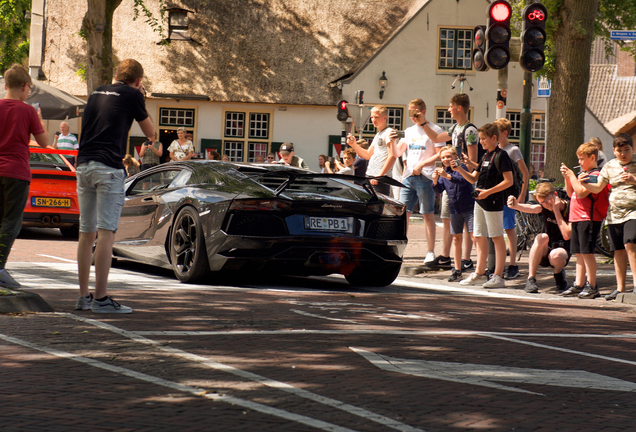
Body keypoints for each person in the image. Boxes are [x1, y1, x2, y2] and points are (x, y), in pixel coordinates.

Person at [75, 59, 155, 313]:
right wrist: (141, 99)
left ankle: (83, 296)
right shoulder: (133, 94)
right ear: (138, 81)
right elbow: (151, 133)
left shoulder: (96, 92)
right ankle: (101, 299)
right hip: (108, 168)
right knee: (106, 232)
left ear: (116, 75)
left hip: (84, 164)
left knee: (86, 233)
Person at [0, 64, 49, 289]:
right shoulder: (28, 111)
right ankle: (0, 267)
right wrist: (38, 118)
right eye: (29, 88)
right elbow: (44, 142)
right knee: (12, 220)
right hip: (16, 171)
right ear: (24, 86)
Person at [418, 93, 478, 270]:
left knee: (469, 226)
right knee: (451, 220)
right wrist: (423, 123)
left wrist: (457, 173)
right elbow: (436, 138)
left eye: (451, 106)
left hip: (463, 181)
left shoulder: (470, 130)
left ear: (459, 108)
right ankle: (451, 258)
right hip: (450, 180)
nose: (448, 109)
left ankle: (467, 259)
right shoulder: (454, 129)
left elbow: (472, 161)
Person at [454, 123, 513, 288]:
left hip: (493, 201)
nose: (481, 142)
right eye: (480, 139)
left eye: (483, 139)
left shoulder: (502, 156)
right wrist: (459, 169)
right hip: (480, 201)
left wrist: (488, 192)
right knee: (479, 236)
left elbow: (509, 181)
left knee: (496, 237)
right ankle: (480, 273)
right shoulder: (486, 156)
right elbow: (473, 178)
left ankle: (498, 276)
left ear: (494, 138)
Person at [578, 133, 636, 301]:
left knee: (630, 243)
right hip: (614, 215)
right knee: (618, 249)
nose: (623, 154)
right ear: (613, 151)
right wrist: (583, 183)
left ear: (633, 149)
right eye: (619, 151)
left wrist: (633, 180)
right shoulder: (609, 166)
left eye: (627, 150)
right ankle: (620, 289)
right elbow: (597, 188)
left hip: (633, 212)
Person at [389, 98, 445, 265]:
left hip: (425, 176)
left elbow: (440, 153)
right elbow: (398, 152)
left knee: (427, 214)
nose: (413, 116)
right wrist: (391, 141)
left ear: (423, 111)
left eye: (416, 112)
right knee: (402, 214)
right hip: (408, 176)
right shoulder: (409, 131)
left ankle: (430, 251)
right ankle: (400, 250)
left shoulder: (435, 129)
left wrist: (422, 164)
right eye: (410, 113)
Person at [559, 142, 610, 298]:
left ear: (592, 157)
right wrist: (568, 179)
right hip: (576, 218)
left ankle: (592, 285)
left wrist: (573, 177)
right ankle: (578, 284)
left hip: (588, 218)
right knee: (579, 253)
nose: (579, 163)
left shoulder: (595, 175)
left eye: (582, 159)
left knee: (587, 253)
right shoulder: (582, 174)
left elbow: (581, 193)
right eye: (578, 159)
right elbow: (570, 193)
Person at [507, 182, 571, 294]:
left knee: (556, 255)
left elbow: (567, 235)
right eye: (542, 202)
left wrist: (556, 210)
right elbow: (532, 208)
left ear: (555, 194)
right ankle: (531, 278)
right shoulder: (543, 207)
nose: (546, 205)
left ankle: (558, 273)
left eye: (547, 201)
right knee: (542, 236)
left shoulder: (569, 208)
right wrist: (515, 205)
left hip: (562, 249)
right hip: (545, 249)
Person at [432, 146, 475, 282]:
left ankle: (482, 269)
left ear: (455, 156)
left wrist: (447, 176)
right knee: (456, 238)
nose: (445, 159)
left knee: (475, 237)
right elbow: (439, 188)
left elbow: (463, 181)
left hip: (468, 207)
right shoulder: (445, 172)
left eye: (448, 156)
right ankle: (457, 269)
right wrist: (435, 180)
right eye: (443, 157)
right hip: (454, 208)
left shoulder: (462, 168)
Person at [495, 118, 530, 280]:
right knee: (497, 229)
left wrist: (522, 194)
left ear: (504, 133)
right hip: (496, 195)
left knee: (509, 228)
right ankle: (497, 263)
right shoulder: (493, 149)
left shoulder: (512, 150)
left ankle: (513, 264)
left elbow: (524, 172)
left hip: (509, 195)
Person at [347, 105, 395, 196]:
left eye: (376, 117)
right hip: (370, 176)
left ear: (385, 117)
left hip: (379, 178)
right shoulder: (378, 134)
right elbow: (368, 155)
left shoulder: (389, 132)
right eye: (372, 117)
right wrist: (353, 144)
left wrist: (379, 176)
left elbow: (392, 156)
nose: (373, 120)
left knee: (377, 207)